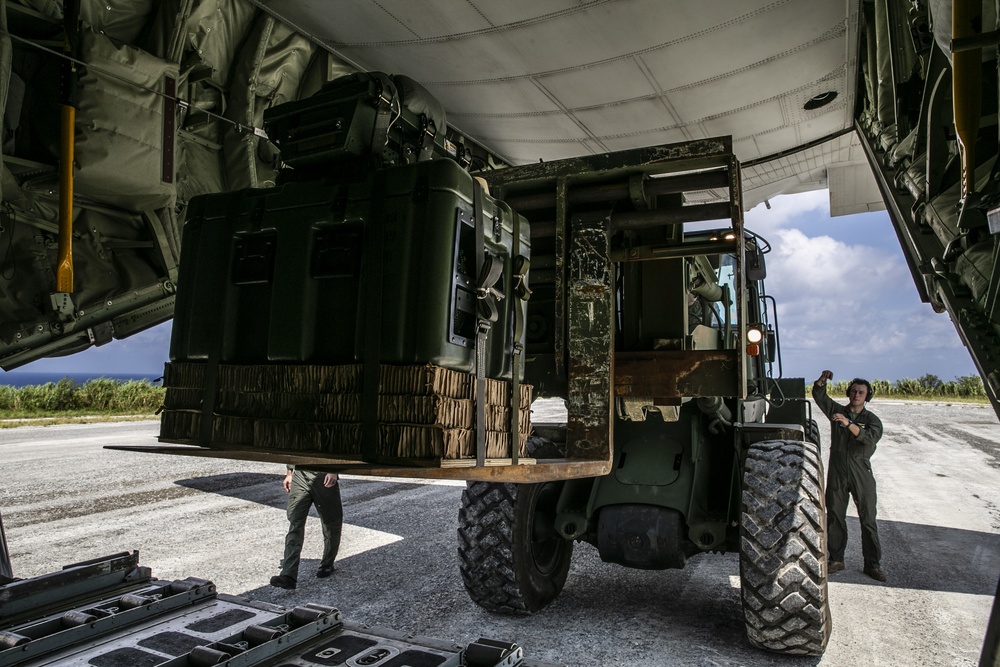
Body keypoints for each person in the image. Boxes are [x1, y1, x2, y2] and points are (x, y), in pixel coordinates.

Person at [812, 371, 886, 582]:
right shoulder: (837, 411)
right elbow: (820, 397)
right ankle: (836, 559)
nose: (856, 395)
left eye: (861, 392)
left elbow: (869, 439)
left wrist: (847, 424)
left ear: (867, 396)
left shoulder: (872, 420)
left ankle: (872, 564)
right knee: (835, 515)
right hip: (838, 471)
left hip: (860, 472)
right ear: (849, 393)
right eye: (853, 391)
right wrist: (821, 381)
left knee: (868, 519)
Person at [270, 466, 343, 590]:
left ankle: (327, 563)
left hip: (323, 474)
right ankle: (288, 575)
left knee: (330, 522)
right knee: (295, 522)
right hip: (300, 473)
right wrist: (290, 472)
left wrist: (333, 470)